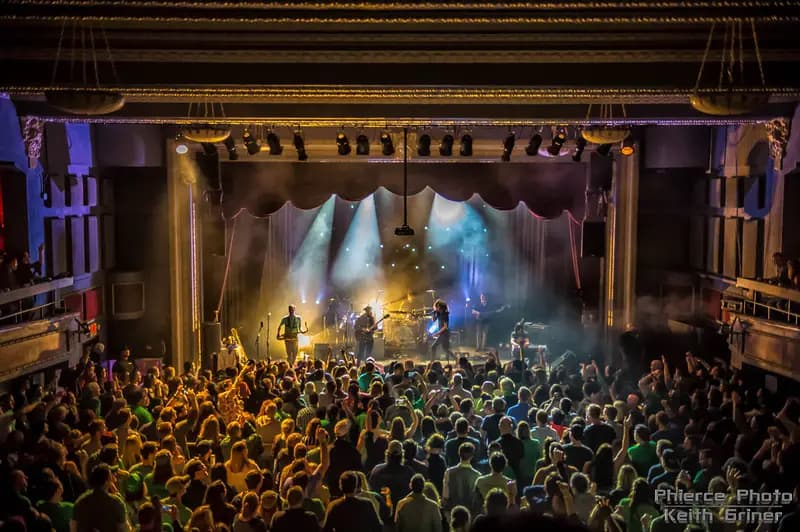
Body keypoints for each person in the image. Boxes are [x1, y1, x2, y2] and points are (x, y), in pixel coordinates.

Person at [71, 464, 129, 532]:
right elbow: (122, 529)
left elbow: (73, 527)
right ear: (106, 482)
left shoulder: (80, 502)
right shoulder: (116, 502)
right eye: (111, 476)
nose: (114, 477)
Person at [442, 442, 481, 512]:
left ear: (459, 454)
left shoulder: (449, 472)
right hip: (470, 513)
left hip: (453, 511)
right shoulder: (477, 475)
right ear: (472, 456)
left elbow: (445, 496)